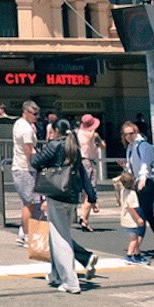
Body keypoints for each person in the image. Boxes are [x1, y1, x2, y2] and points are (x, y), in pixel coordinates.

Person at [31, 118, 96, 293]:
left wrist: (41, 150)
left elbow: (35, 162)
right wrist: (92, 195)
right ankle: (56, 274)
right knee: (57, 236)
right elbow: (82, 173)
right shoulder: (74, 147)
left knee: (61, 239)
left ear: (56, 131)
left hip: (56, 194)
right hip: (72, 197)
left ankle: (70, 281)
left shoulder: (54, 145)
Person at [122, 120, 154, 258]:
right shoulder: (130, 147)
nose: (128, 136)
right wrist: (124, 167)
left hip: (146, 184)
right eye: (126, 134)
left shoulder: (142, 145)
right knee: (148, 215)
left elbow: (145, 164)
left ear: (136, 132)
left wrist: (143, 179)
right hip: (138, 183)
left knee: (141, 217)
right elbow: (131, 166)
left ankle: (134, 250)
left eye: (131, 133)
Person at [11, 100, 42, 247]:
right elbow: (29, 151)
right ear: (26, 112)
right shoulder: (27, 130)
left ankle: (23, 234)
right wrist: (39, 164)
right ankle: (27, 236)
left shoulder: (19, 124)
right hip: (26, 169)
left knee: (28, 203)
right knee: (29, 204)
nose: (36, 116)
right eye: (34, 114)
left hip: (20, 167)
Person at [75, 114, 105, 231]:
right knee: (89, 190)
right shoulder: (83, 134)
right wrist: (93, 133)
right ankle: (84, 219)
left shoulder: (86, 135)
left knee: (85, 193)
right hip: (86, 161)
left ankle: (84, 215)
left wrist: (97, 139)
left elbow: (102, 147)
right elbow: (88, 138)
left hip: (85, 161)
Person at [114, 168, 146, 263]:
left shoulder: (123, 191)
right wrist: (138, 219)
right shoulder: (132, 194)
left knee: (134, 238)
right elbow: (131, 208)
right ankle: (129, 256)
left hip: (125, 219)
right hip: (131, 220)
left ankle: (137, 255)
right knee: (134, 240)